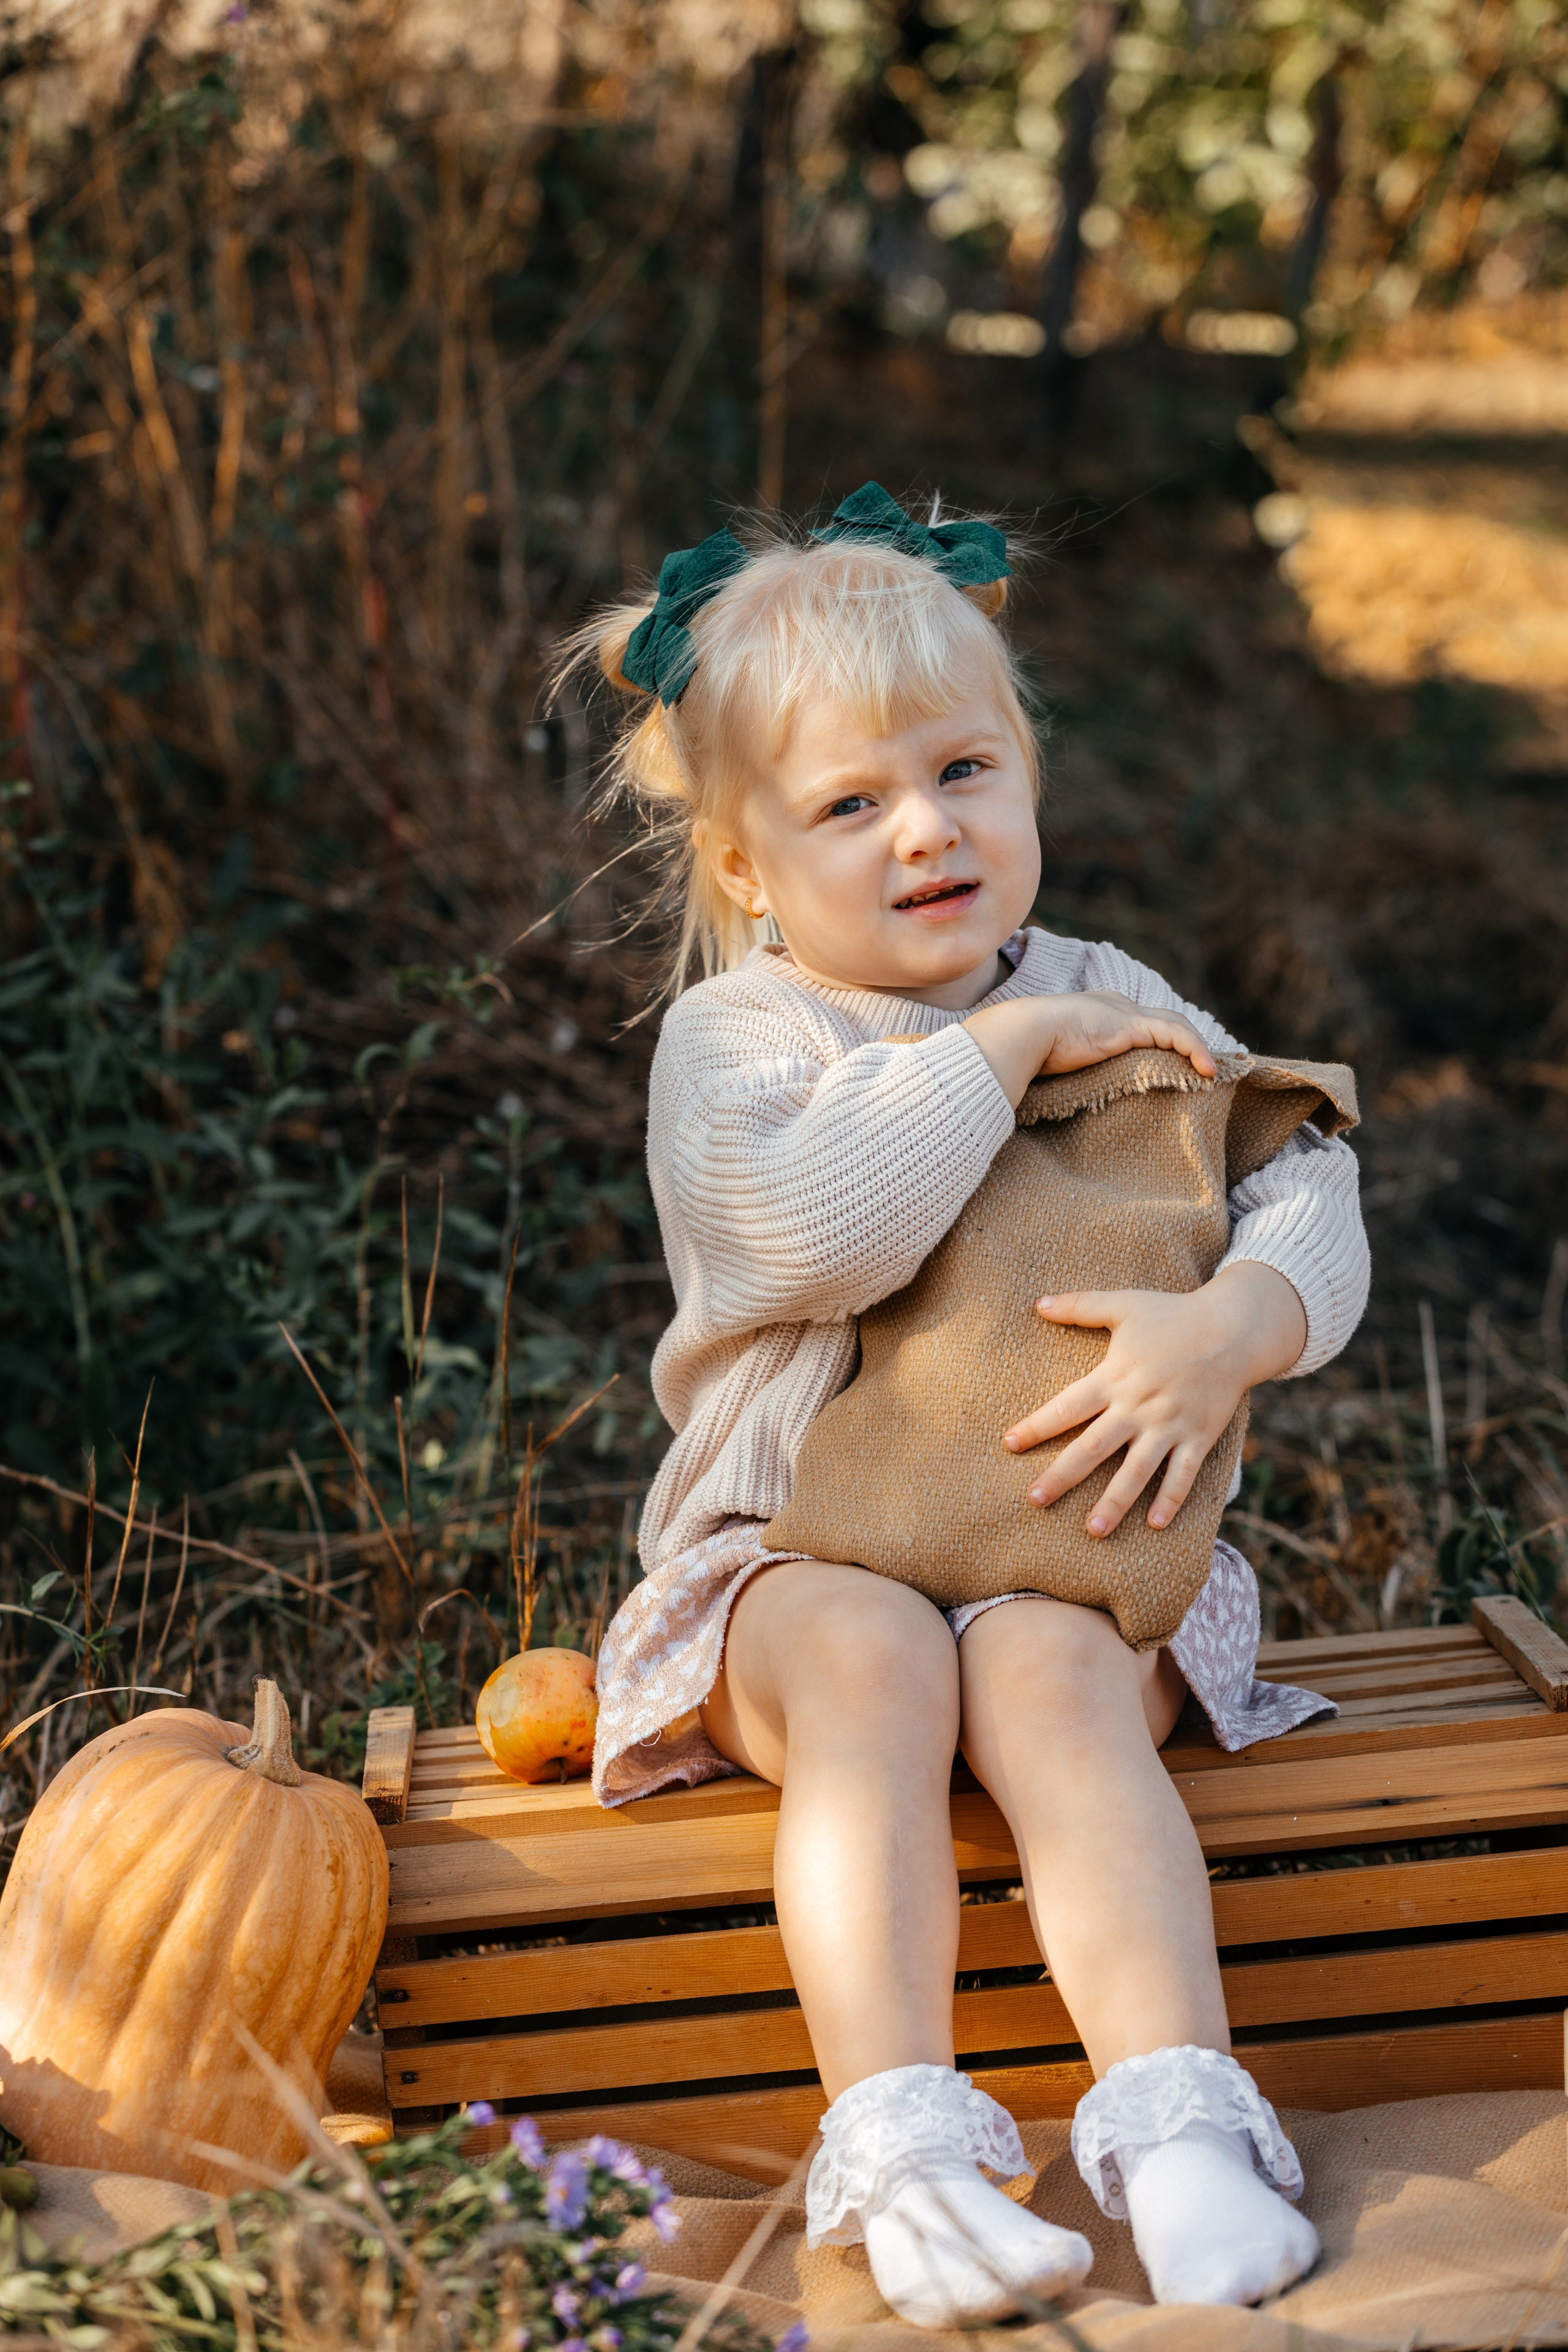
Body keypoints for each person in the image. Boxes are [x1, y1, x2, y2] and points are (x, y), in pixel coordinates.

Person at [568, 485, 1368, 2324]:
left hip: (1062, 1554)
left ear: (1027, 772)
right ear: (750, 869)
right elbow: (815, 1236)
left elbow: (1297, 1172)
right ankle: (910, 2148)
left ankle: (1174, 2127)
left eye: (966, 769)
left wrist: (1242, 1321)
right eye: (849, 806)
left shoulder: (1121, 991)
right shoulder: (744, 1041)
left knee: (1046, 1668)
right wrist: (994, 1050)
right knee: (871, 1661)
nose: (926, 830)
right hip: (788, 1563)